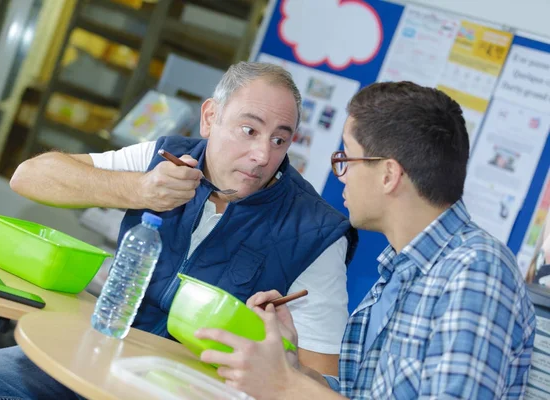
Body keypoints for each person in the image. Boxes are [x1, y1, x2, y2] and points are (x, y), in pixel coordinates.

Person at [0, 62, 358, 399]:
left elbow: (324, 383)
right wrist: (138, 188)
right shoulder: (164, 156)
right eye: (249, 130)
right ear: (210, 118)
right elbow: (29, 177)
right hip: (89, 358)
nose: (261, 155)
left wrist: (281, 362)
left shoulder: (318, 232)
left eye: (280, 140)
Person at [195, 81, 537, 399]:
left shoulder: (476, 272)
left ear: (389, 175)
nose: (340, 174)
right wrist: (289, 367)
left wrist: (287, 386)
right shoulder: (402, 270)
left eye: (346, 157)